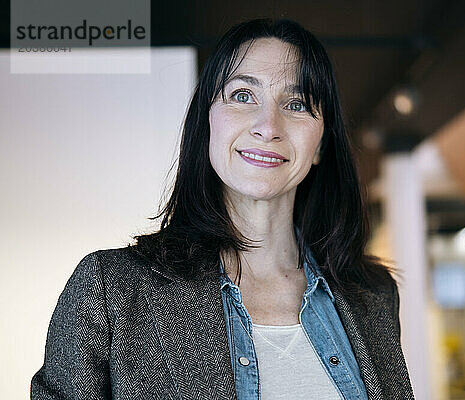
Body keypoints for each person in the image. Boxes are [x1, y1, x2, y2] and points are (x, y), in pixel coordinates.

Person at [31, 18, 414, 400]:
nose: (268, 127)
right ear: (207, 123)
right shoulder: (109, 290)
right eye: (243, 95)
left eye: (296, 104)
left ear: (319, 146)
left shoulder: (373, 294)